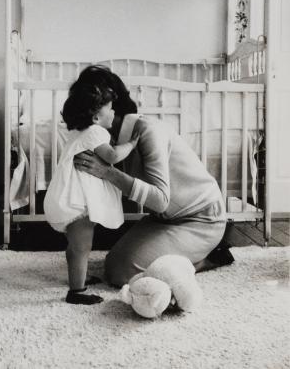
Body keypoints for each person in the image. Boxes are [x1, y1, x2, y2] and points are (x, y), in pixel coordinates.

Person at [73, 65, 234, 288]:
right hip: (164, 219)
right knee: (113, 265)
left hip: (201, 219)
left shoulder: (147, 131)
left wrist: (108, 173)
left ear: (110, 106)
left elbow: (160, 200)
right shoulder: (106, 138)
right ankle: (181, 255)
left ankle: (205, 259)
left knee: (122, 275)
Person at [44, 82, 139, 304]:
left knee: (76, 246)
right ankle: (77, 292)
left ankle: (80, 275)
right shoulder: (96, 132)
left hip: (70, 197)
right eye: (110, 108)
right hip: (79, 203)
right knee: (82, 246)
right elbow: (113, 156)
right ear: (96, 117)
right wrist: (132, 145)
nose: (114, 112)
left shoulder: (80, 132)